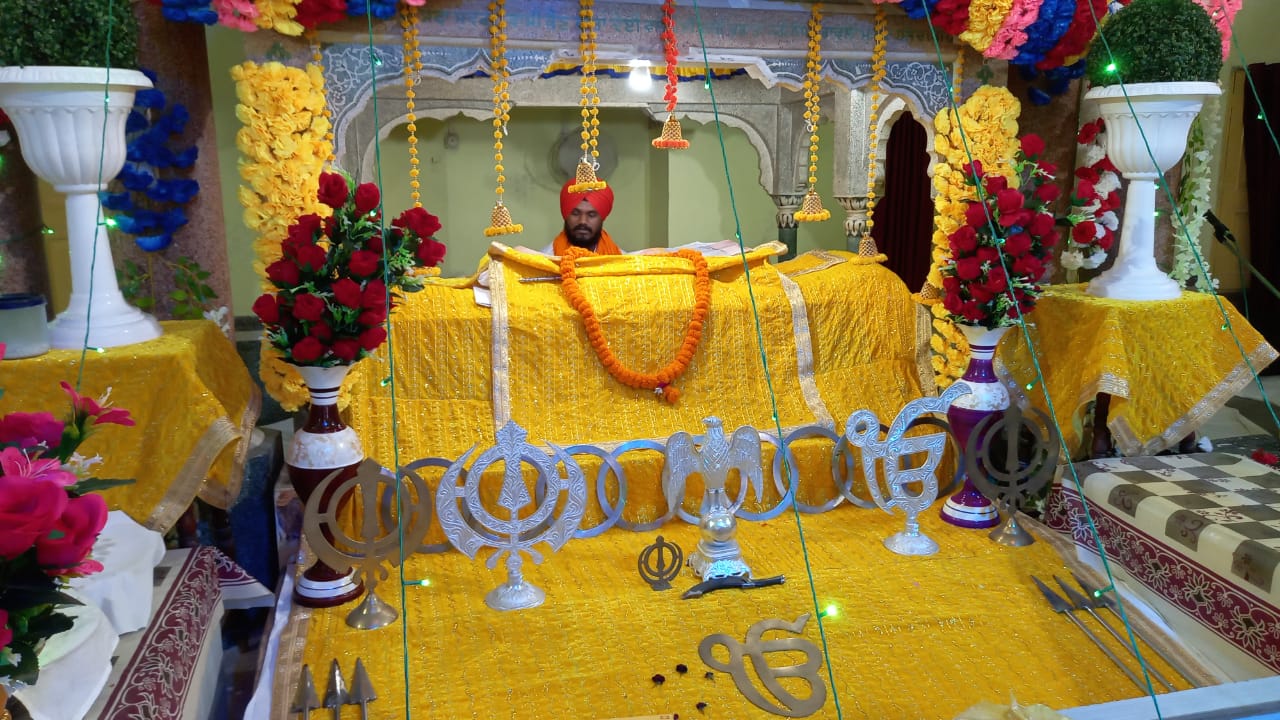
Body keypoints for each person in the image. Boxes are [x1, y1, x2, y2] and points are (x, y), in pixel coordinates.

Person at [550, 179, 623, 255]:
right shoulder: (546, 258)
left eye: (591, 215)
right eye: (575, 213)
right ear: (566, 215)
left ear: (602, 217)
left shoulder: (623, 260)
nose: (583, 221)